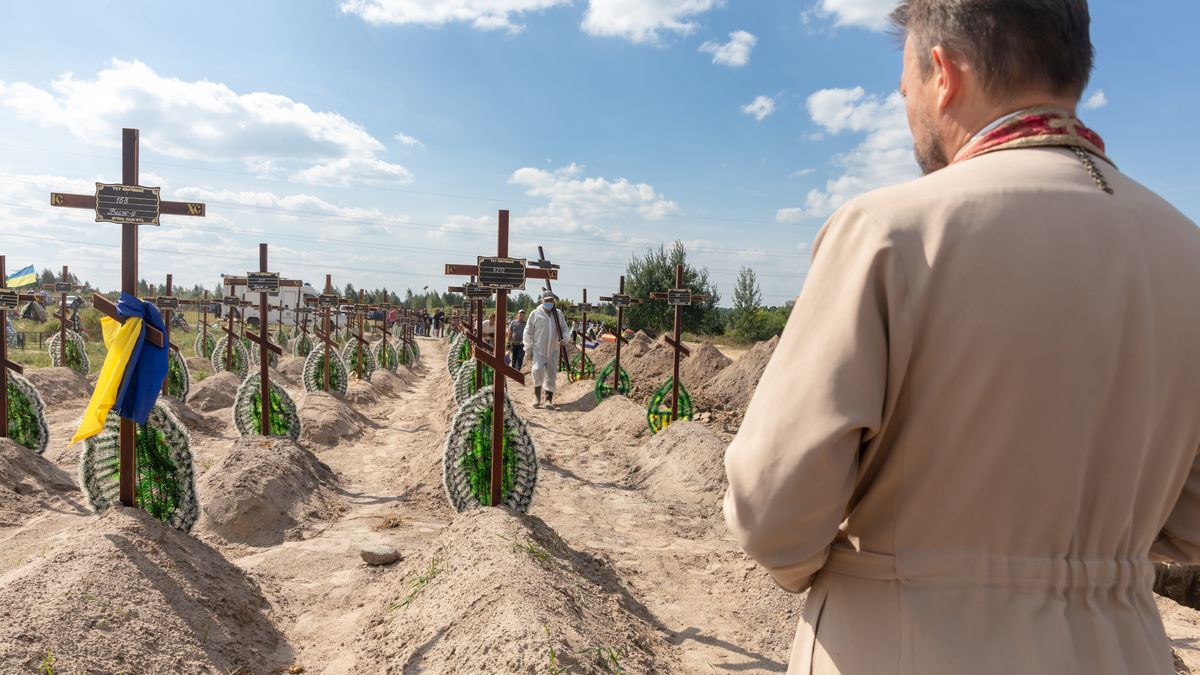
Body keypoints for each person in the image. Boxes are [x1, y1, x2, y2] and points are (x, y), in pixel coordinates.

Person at [723, 2, 1200, 674]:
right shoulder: (1187, 250)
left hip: (902, 642)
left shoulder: (888, 233)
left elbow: (774, 506)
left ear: (943, 72)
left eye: (906, 87)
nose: (906, 104)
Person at [523, 291, 570, 409]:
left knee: (551, 373)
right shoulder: (535, 314)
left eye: (551, 300)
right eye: (547, 300)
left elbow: (564, 328)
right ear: (542, 301)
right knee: (537, 370)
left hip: (553, 348)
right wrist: (528, 348)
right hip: (539, 348)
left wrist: (565, 338)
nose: (549, 303)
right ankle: (537, 397)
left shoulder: (558, 314)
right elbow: (527, 331)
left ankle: (549, 399)